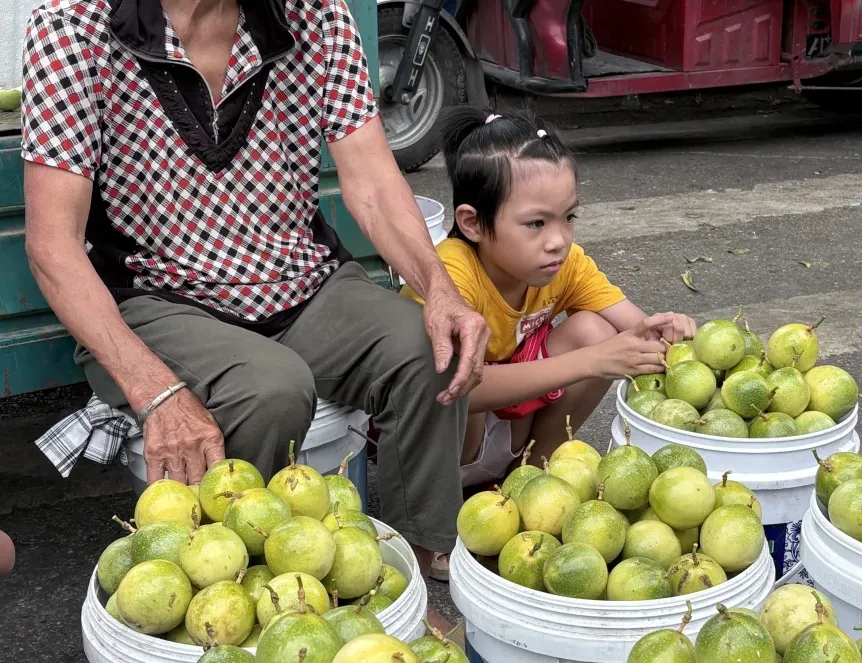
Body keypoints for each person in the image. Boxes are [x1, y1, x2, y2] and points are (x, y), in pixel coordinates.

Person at [20, 0, 489, 577]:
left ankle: (399, 573)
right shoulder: (76, 25)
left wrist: (438, 287)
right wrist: (156, 393)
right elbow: (51, 246)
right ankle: (238, 591)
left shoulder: (314, 12)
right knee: (269, 389)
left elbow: (370, 180)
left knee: (428, 347)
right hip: (154, 296)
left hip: (299, 277)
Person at [402, 107, 697, 579]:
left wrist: (667, 330)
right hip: (444, 430)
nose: (558, 240)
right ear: (474, 223)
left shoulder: (565, 263)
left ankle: (529, 487)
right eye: (536, 224)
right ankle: (434, 520)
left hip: (507, 421)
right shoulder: (451, 272)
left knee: (596, 330)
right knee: (471, 373)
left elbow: (633, 329)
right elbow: (462, 387)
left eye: (569, 217)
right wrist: (594, 360)